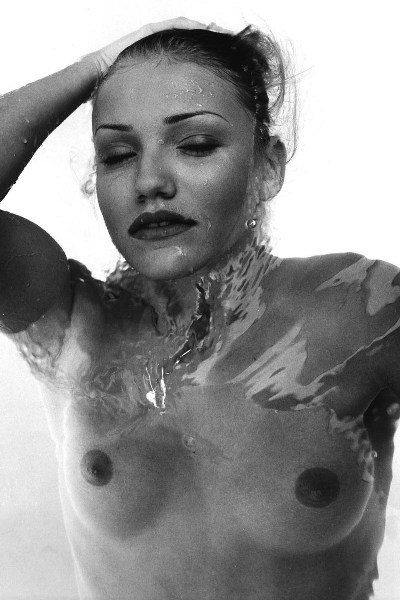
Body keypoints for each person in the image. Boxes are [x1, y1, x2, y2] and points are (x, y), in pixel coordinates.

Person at [0, 16, 399, 600]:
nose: (150, 181)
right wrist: (94, 67)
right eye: (117, 154)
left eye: (195, 145)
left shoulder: (360, 310)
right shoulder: (69, 324)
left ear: (267, 167)